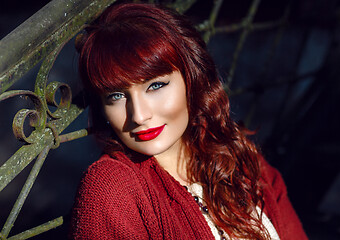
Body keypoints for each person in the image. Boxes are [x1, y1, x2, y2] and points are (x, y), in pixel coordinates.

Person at [69, 2, 308, 240]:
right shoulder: (111, 189)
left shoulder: (238, 155)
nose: (139, 116)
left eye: (155, 86)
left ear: (191, 79)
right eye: (117, 96)